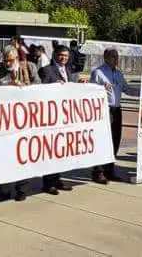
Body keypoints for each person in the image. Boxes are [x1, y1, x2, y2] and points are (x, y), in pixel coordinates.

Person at [0, 46, 38, 201]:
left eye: (10, 60)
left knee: (24, 154)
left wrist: (25, 88)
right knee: (5, 156)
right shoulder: (0, 71)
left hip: (26, 118)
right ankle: (4, 191)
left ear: (16, 58)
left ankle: (22, 189)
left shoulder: (29, 67)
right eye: (5, 60)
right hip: (7, 120)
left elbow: (40, 86)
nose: (7, 63)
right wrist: (7, 86)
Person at [37, 45, 87, 194]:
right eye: (60, 55)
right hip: (51, 116)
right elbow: (42, 91)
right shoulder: (47, 70)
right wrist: (54, 87)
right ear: (54, 55)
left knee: (61, 150)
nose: (63, 58)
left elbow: (70, 89)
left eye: (65, 56)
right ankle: (48, 182)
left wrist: (79, 86)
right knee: (51, 150)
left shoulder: (69, 70)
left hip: (64, 116)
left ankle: (57, 179)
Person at [89, 48, 139, 183]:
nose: (115, 59)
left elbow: (127, 89)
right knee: (103, 141)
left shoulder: (119, 74)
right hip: (104, 110)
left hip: (117, 110)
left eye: (117, 56)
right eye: (112, 56)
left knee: (115, 141)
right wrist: (100, 89)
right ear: (105, 57)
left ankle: (109, 171)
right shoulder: (98, 72)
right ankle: (98, 172)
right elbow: (90, 91)